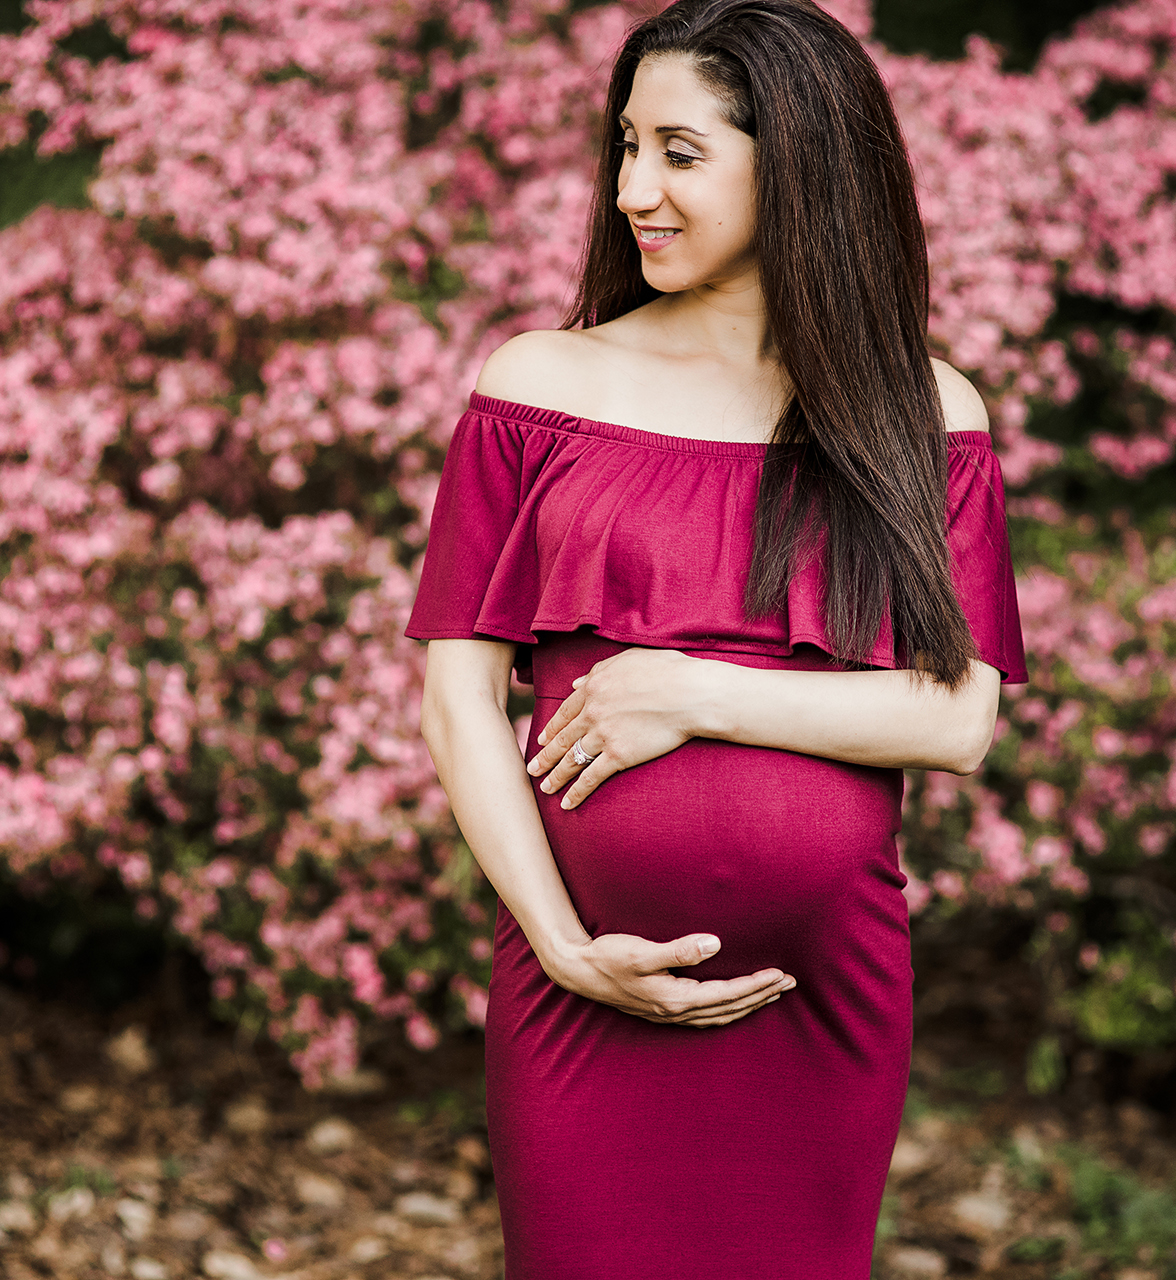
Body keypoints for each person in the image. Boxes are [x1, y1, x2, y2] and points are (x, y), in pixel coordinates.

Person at [405, 0, 1027, 1272]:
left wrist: (687, 691)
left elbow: (955, 716)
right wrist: (563, 944)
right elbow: (457, 699)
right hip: (580, 992)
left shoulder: (924, 413)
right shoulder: (541, 386)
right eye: (626, 148)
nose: (636, 189)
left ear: (795, 162)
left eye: (680, 153)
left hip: (824, 1005)